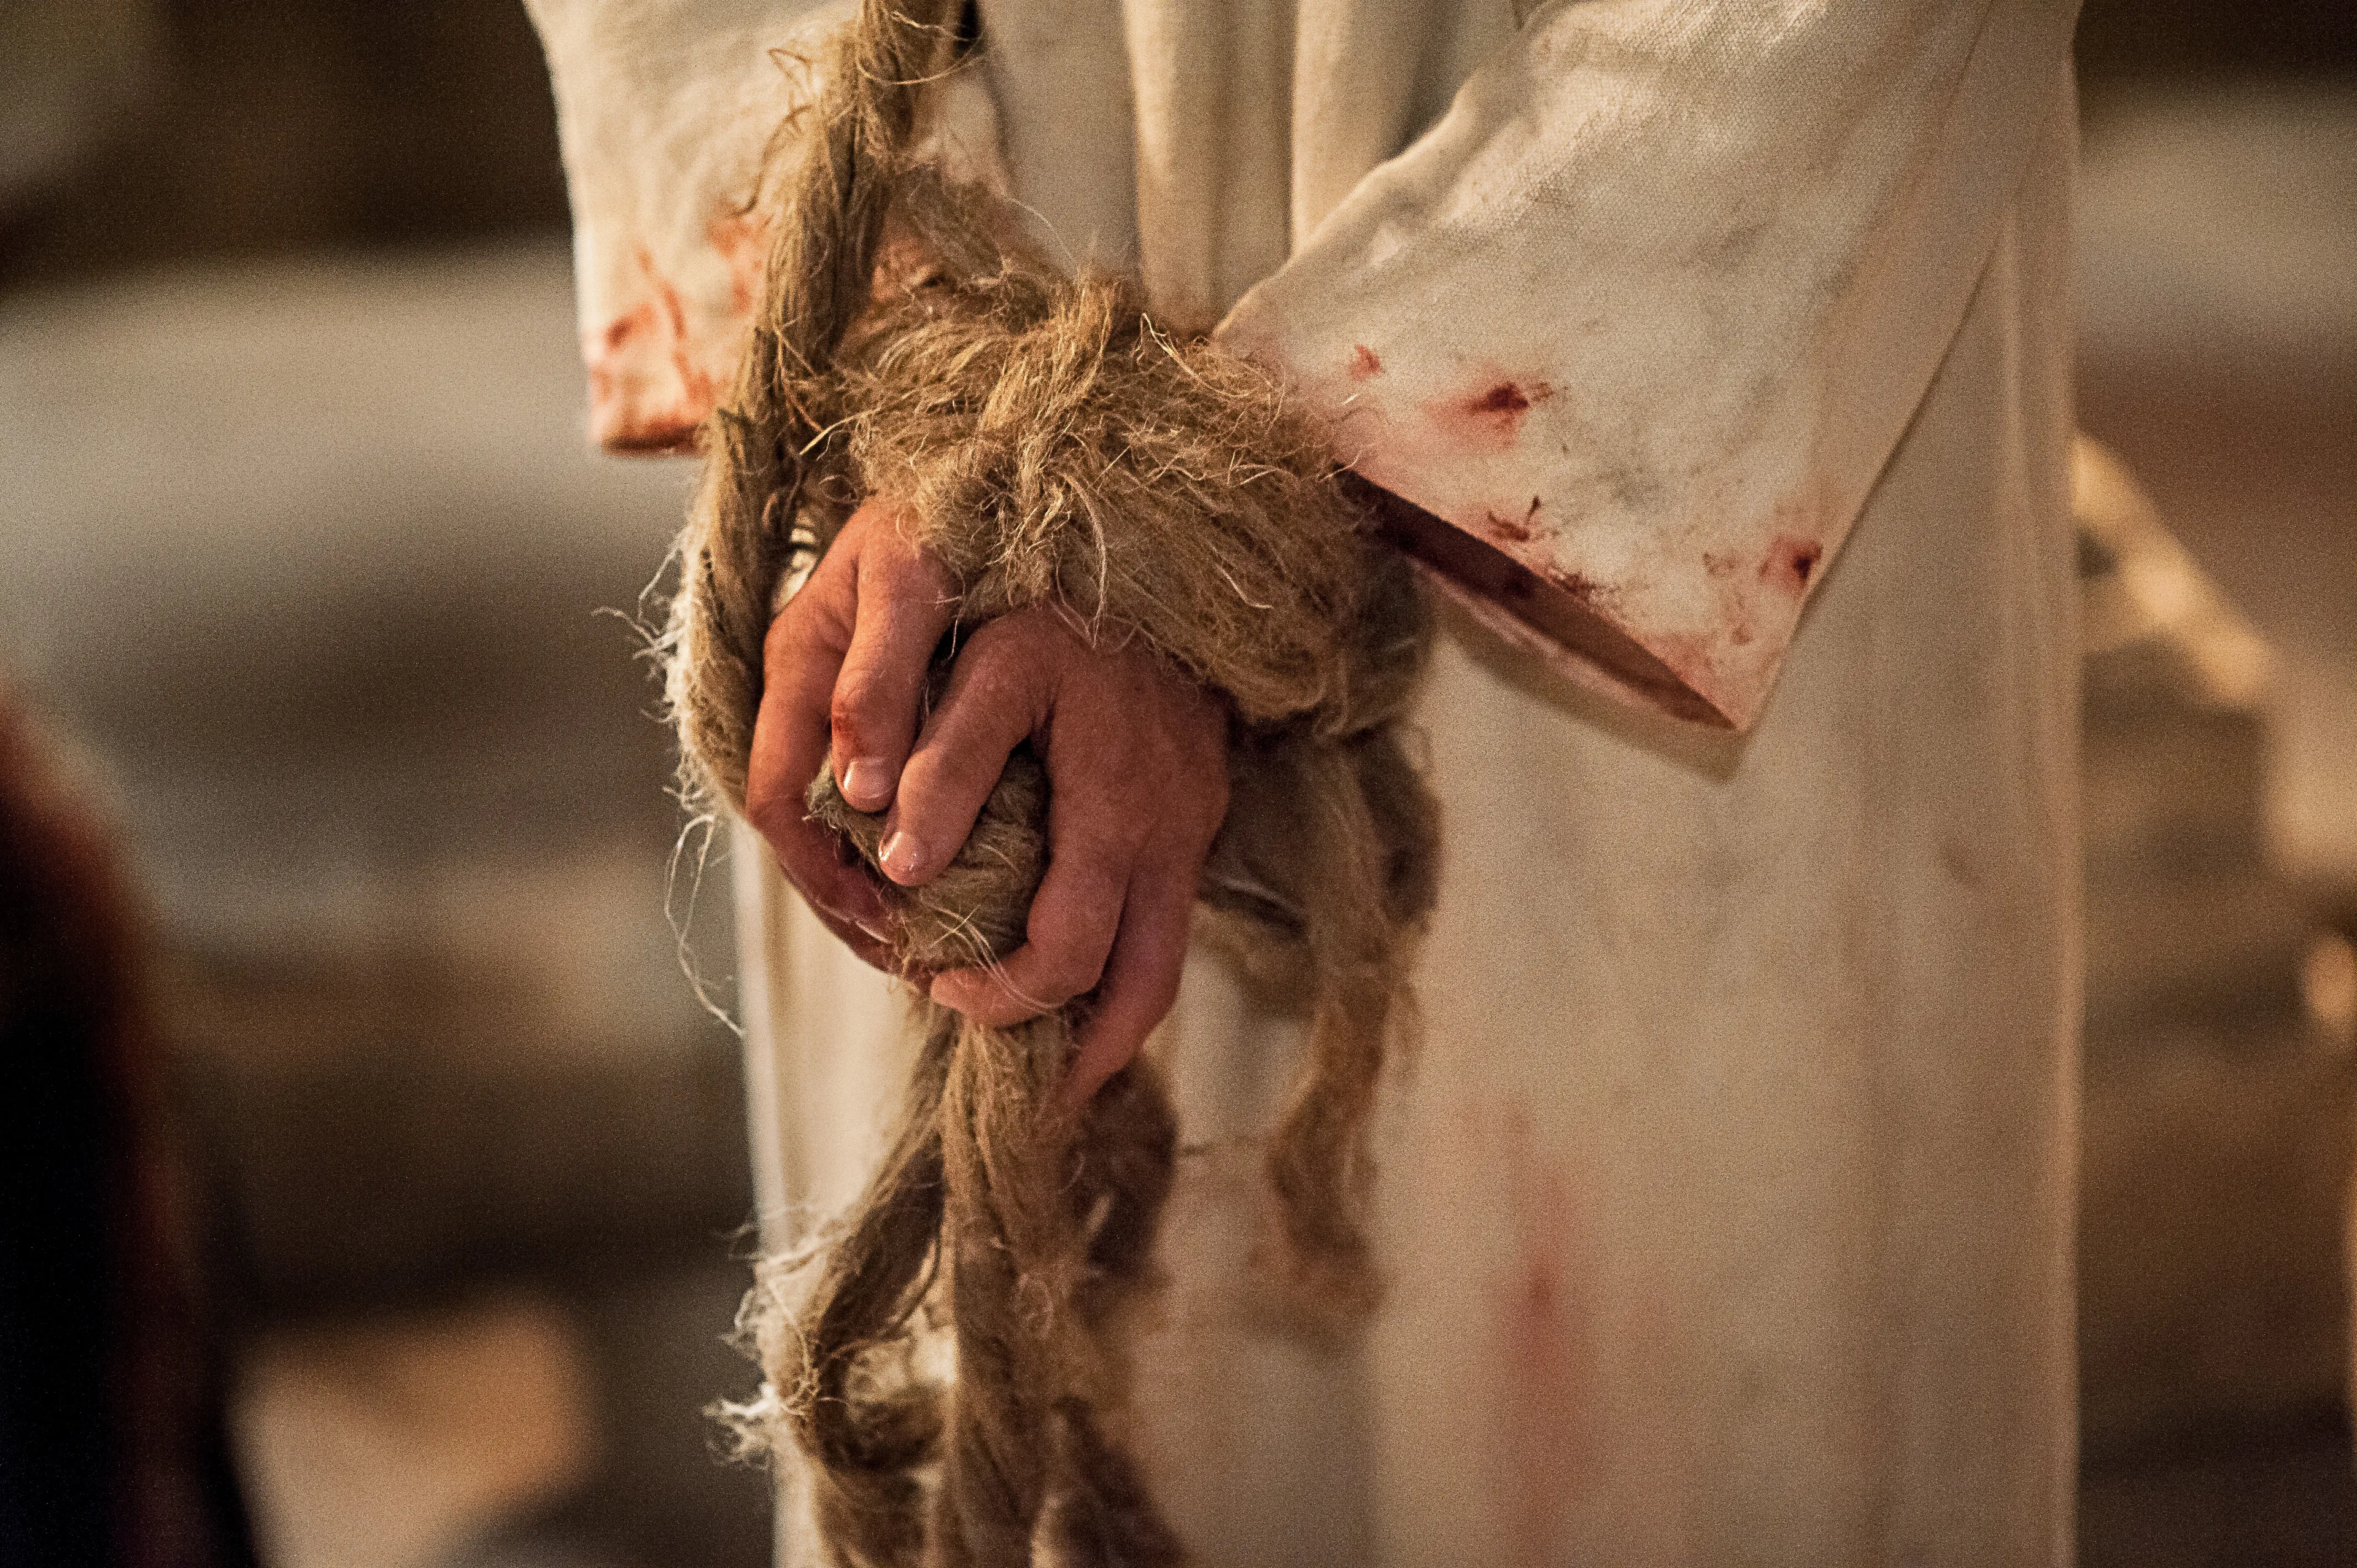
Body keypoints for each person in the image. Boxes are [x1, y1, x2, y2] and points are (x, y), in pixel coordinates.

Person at [527, 1, 2084, 1561]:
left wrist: (1173, 524)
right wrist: (935, 368)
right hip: (932, 393)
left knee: (1629, 1411)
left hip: (1657, 347)